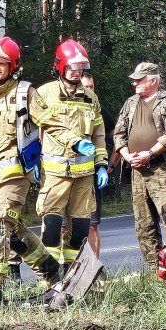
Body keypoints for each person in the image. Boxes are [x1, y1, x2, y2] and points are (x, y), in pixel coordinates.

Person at [0, 36, 60, 293]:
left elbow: (52, 124)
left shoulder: (26, 93)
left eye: (2, 63)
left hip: (15, 176)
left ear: (13, 66)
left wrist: (74, 144)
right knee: (14, 234)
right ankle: (51, 272)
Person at [32, 39, 109, 272]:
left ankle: (71, 276)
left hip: (84, 175)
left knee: (80, 230)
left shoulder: (90, 98)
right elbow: (36, 129)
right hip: (54, 175)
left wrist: (102, 164)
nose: (77, 73)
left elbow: (99, 135)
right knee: (52, 227)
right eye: (72, 68)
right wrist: (33, 159)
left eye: (80, 68)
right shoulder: (43, 93)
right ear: (60, 67)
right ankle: (50, 278)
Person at [114, 62, 166, 268]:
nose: (135, 83)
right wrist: (126, 156)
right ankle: (155, 270)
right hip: (137, 171)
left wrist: (149, 153)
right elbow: (118, 134)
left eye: (139, 79)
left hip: (163, 170)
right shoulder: (131, 103)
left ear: (152, 80)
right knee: (144, 224)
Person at [80, 71, 116, 256]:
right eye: (86, 86)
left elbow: (118, 138)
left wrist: (111, 164)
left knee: (92, 224)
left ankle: (94, 270)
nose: (89, 90)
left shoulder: (100, 111)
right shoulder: (62, 107)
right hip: (66, 173)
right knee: (63, 225)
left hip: (93, 174)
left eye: (92, 86)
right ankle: (65, 272)